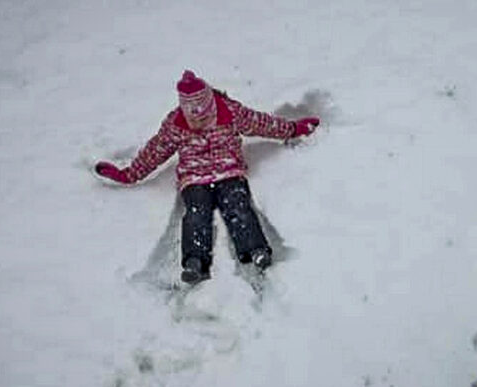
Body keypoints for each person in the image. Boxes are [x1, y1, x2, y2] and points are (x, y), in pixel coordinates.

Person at [93, 70, 320, 284]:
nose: (199, 122)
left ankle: (256, 249)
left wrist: (292, 129)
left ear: (211, 104)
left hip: (229, 171)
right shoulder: (175, 124)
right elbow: (156, 151)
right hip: (194, 178)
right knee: (196, 214)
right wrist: (129, 175)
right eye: (193, 119)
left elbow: (261, 123)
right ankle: (195, 261)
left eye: (204, 116)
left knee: (238, 206)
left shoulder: (229, 111)